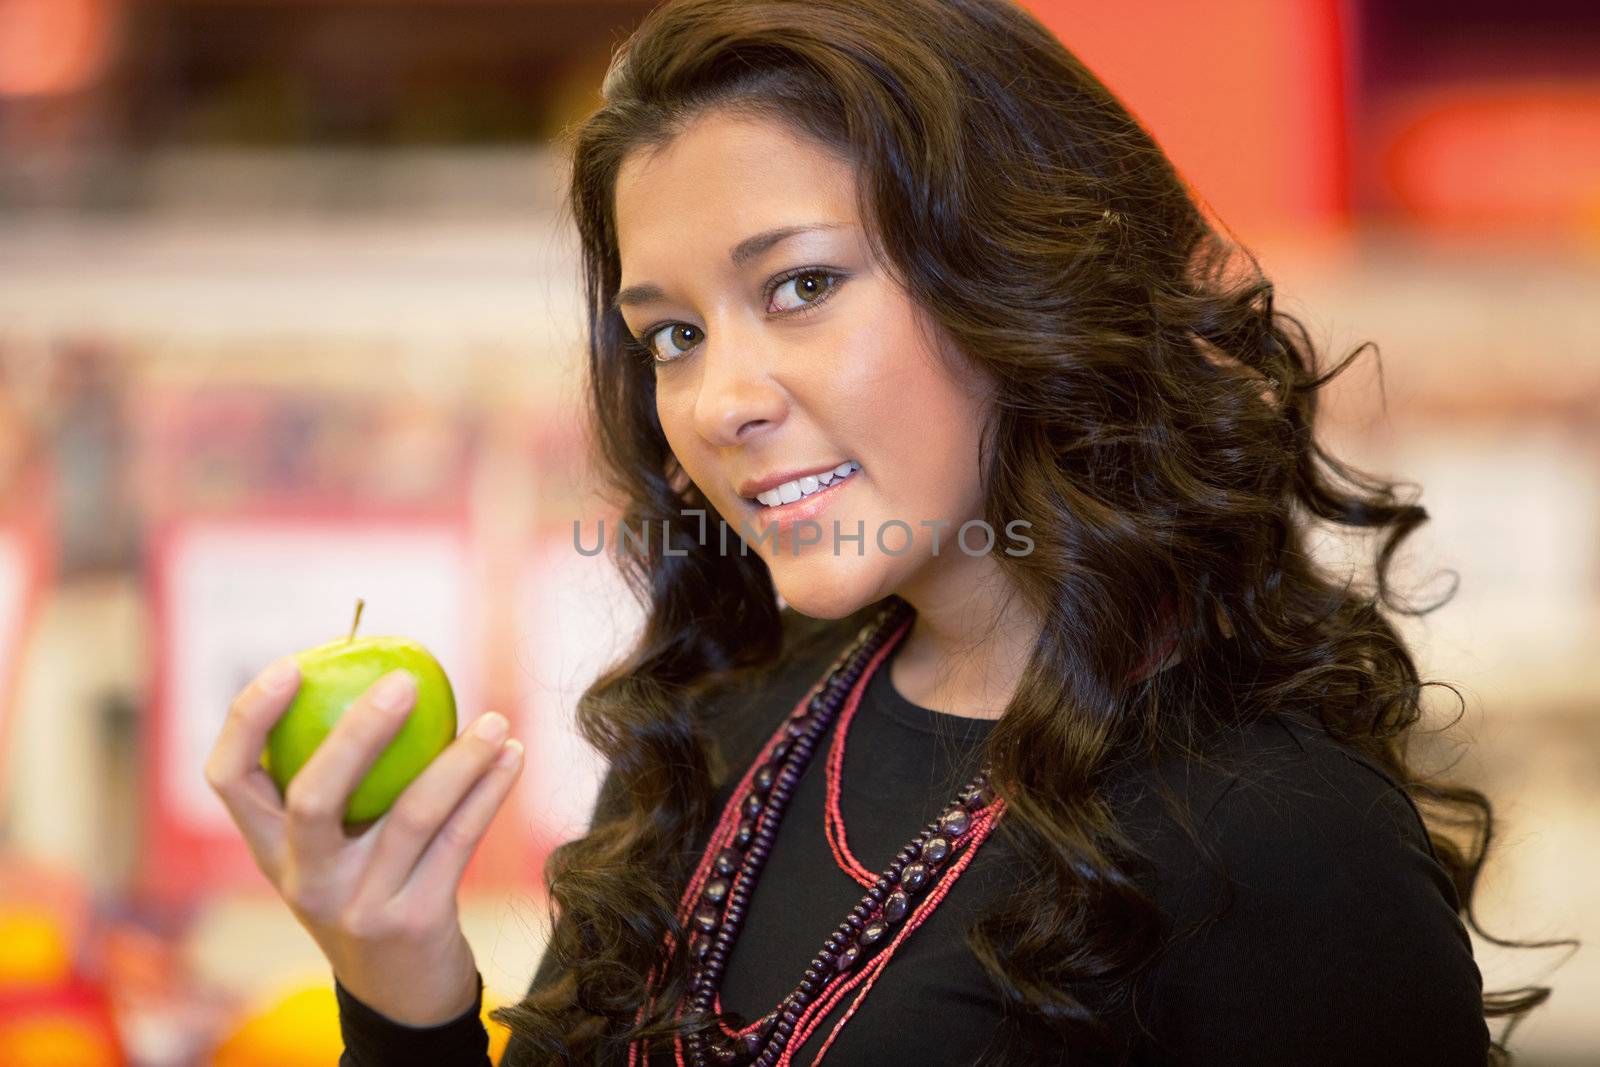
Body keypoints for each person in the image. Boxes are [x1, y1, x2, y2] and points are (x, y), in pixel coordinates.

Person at [205, 0, 1559, 1063]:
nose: (720, 401)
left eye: (800, 285)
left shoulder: (1278, 841)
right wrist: (402, 990)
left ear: (1017, 275)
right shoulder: (727, 728)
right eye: (671, 333)